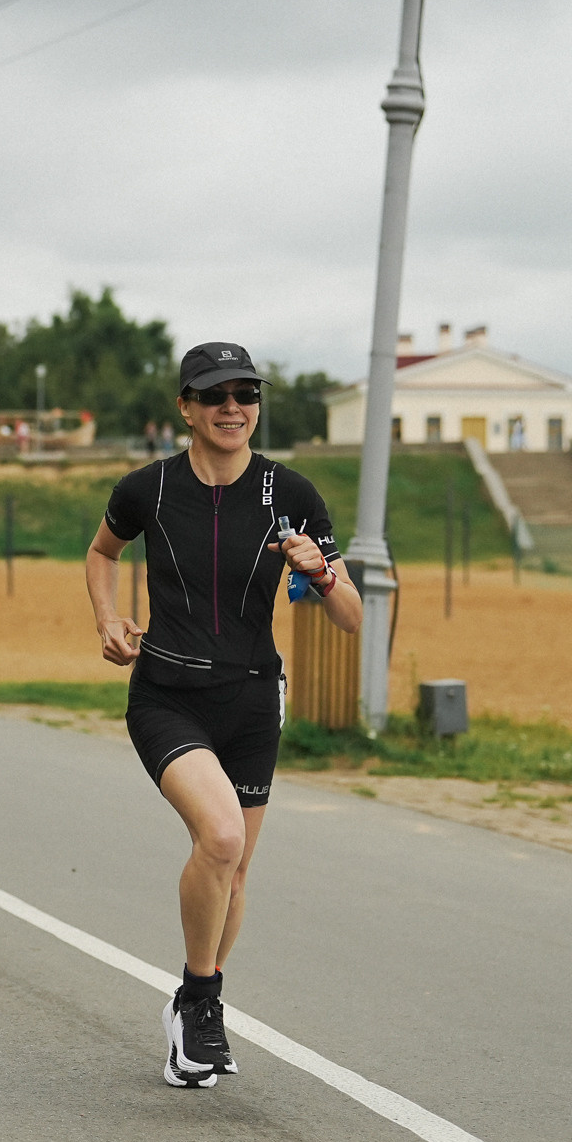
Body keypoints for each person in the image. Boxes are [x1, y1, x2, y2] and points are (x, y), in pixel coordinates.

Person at [85, 341, 362, 1090]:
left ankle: (191, 1009)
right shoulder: (147, 489)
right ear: (186, 407)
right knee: (222, 836)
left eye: (246, 394)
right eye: (214, 395)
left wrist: (321, 573)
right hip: (168, 696)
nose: (232, 407)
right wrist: (108, 618)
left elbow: (351, 617)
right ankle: (203, 1002)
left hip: (252, 701)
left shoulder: (289, 492)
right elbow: (103, 552)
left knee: (234, 873)